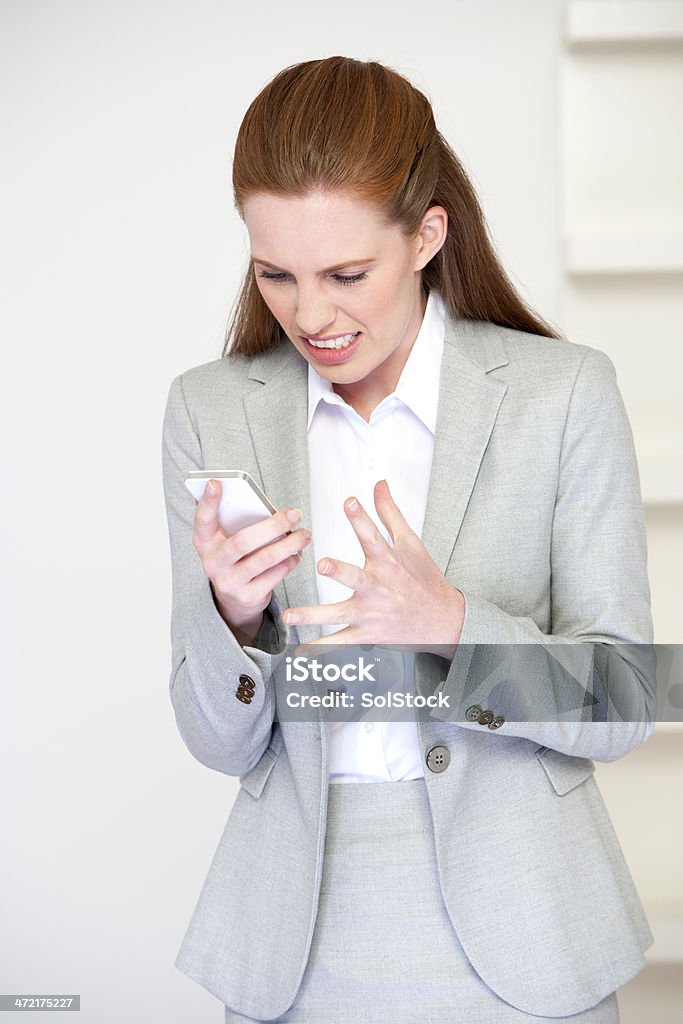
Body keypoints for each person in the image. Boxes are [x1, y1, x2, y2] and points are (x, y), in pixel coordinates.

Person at [161, 56, 656, 1024]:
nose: (309, 315)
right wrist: (230, 619)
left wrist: (455, 625)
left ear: (427, 233)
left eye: (347, 273)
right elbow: (216, 744)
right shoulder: (210, 409)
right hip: (293, 943)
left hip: (525, 930)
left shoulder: (561, 394)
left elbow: (628, 698)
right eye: (276, 274)